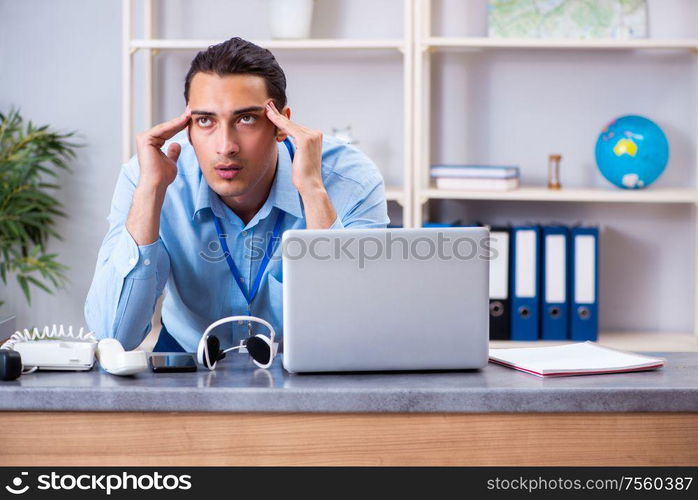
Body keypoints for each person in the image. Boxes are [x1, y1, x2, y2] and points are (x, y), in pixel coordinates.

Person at [85, 37, 389, 353]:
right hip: (189, 353)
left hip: (304, 358)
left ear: (280, 124)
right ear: (188, 129)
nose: (225, 145)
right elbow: (114, 335)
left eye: (246, 119)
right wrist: (150, 192)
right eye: (205, 121)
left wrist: (313, 191)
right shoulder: (147, 175)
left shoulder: (351, 180)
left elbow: (354, 331)